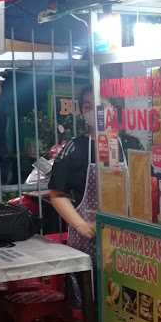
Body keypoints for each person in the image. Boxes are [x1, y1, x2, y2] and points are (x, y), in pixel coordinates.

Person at [49, 86, 98, 256]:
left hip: (126, 238)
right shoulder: (74, 147)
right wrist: (81, 225)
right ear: (82, 112)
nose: (93, 111)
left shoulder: (129, 144)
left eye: (100, 105)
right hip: (87, 239)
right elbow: (56, 193)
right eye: (87, 106)